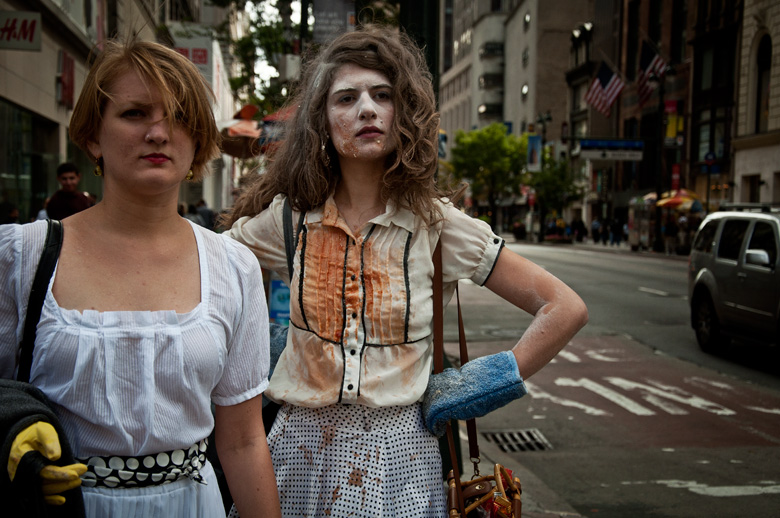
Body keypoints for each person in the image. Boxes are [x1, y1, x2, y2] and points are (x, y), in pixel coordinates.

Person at [223, 25, 588, 518]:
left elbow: (564, 307)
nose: (366, 109)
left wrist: (481, 384)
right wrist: (268, 347)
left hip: (401, 460)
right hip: (296, 455)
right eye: (346, 98)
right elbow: (202, 268)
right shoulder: (288, 220)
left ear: (404, 114)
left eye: (382, 95)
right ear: (322, 121)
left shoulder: (437, 225)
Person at [0, 38, 280, 518]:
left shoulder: (233, 266)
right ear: (92, 136)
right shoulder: (20, 255)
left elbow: (243, 440)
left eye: (178, 118)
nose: (158, 133)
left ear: (196, 142)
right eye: (134, 114)